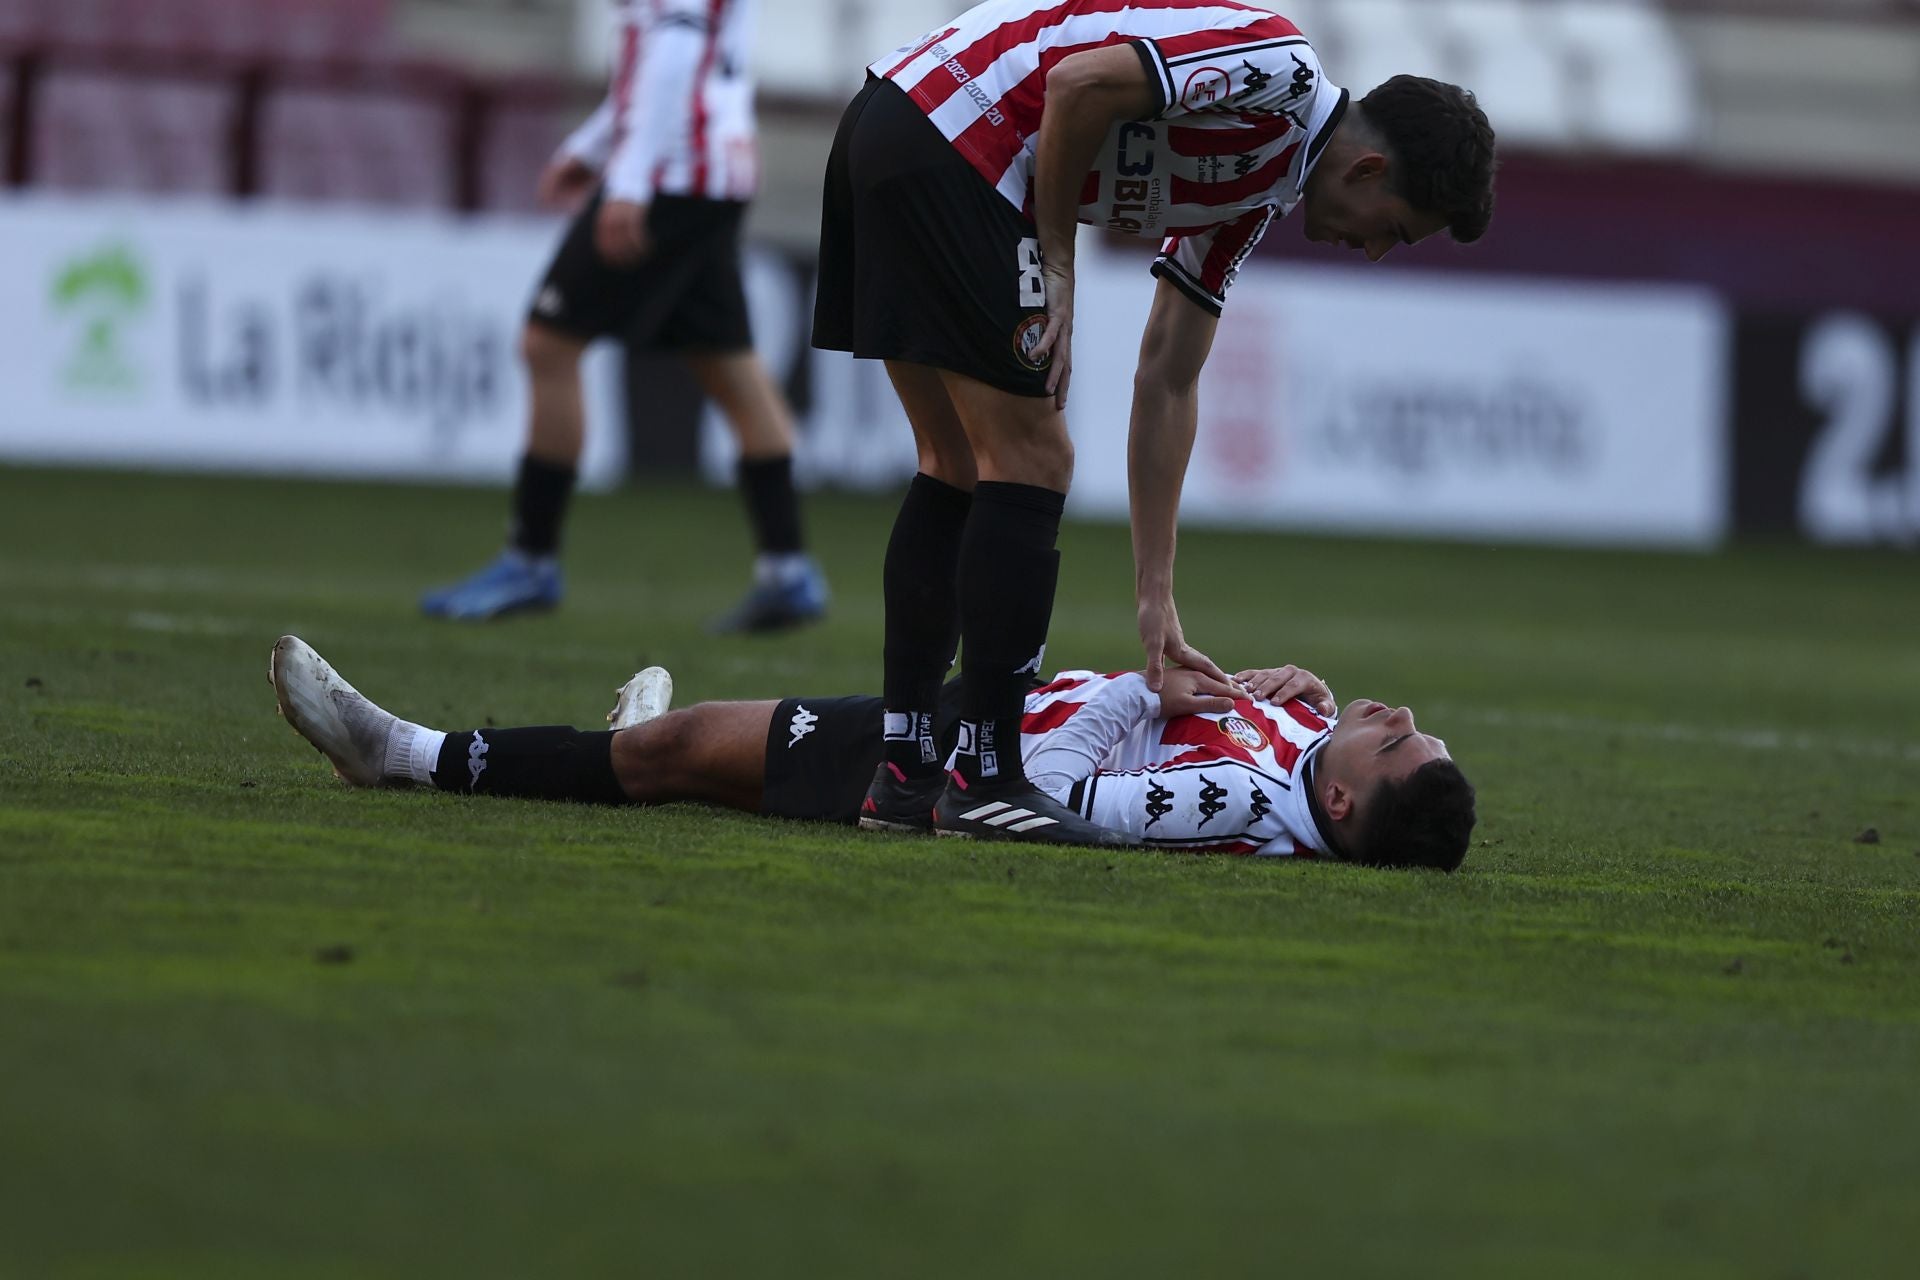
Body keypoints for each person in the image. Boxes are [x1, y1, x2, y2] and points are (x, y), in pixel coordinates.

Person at [811, 1, 1496, 842]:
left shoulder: (1254, 198)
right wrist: (1058, 261)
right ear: (1367, 170)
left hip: (894, 123)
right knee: (1034, 458)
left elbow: (1168, 379)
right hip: (958, 140)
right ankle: (986, 776)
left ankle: (906, 776)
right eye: (1395, 231)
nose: (1378, 252)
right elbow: (1078, 83)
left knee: (954, 462)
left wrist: (1155, 592)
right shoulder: (1278, 70)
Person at [268, 635, 1476, 869]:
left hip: (950, 760)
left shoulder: (1233, 802)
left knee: (673, 752)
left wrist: (1131, 689)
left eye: (1393, 742)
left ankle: (400, 753)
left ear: (1347, 808)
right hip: (969, 718)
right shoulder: (1297, 754)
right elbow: (1253, 732)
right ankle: (625, 736)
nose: (1393, 710)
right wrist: (1285, 694)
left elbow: (1050, 799)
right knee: (683, 749)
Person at [421, 0, 830, 632]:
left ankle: (530, 560)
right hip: (710, 171)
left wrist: (630, 180)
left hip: (673, 173)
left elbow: (677, 47)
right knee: (728, 366)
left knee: (548, 344)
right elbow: (665, 52)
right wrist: (593, 145)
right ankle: (788, 571)